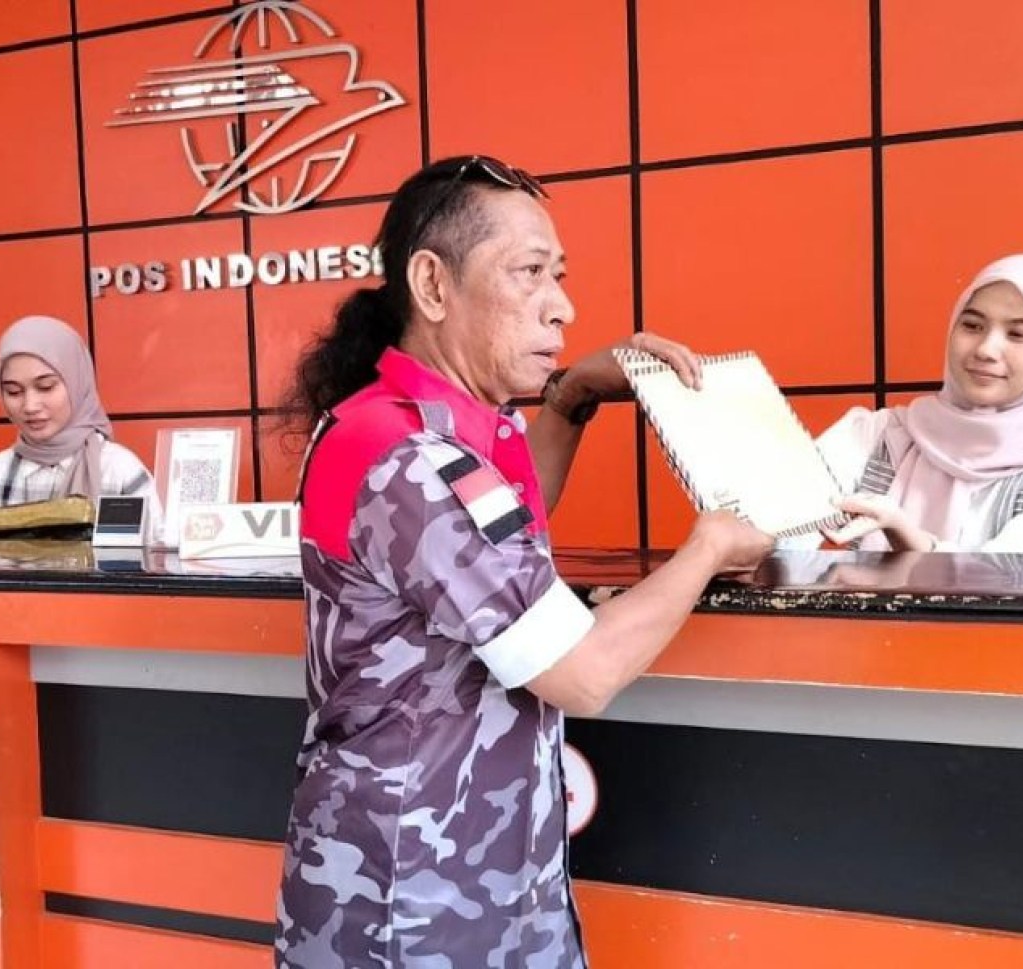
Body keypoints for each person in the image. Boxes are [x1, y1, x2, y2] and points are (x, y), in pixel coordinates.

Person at [274, 155, 773, 968]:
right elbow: (582, 670)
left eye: (559, 275)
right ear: (432, 285)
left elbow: (495, 545)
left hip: (479, 886)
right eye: (529, 273)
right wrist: (709, 546)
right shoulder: (405, 458)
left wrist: (570, 399)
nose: (562, 305)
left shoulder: (436, 431)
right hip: (408, 907)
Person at [783, 253, 1023, 554]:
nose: (985, 349)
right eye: (972, 325)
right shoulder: (877, 435)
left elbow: (1011, 586)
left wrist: (910, 539)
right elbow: (781, 526)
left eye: (1018, 334)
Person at [0, 315, 157, 512]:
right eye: (14, 391)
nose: (30, 406)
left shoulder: (119, 473)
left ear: (77, 384)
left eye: (46, 387)